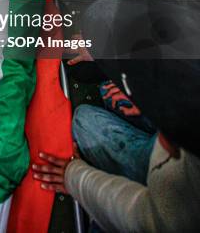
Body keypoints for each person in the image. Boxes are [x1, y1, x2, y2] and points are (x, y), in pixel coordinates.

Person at [32, 12, 200, 232]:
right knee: (103, 87)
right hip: (178, 151)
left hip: (167, 189)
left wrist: (73, 176)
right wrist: (145, 94)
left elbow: (143, 217)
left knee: (84, 121)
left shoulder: (181, 211)